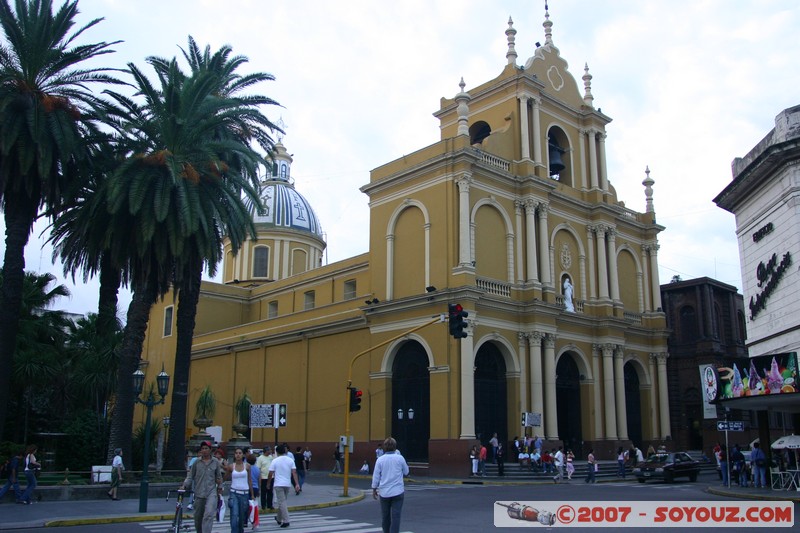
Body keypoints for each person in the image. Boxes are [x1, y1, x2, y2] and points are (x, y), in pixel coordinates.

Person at [182, 440, 223, 533]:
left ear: (210, 450)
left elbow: (219, 476)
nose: (204, 450)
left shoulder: (215, 462)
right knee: (198, 518)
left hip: (211, 493)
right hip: (199, 493)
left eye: (206, 448)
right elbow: (190, 477)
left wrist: (220, 487)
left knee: (208, 515)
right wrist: (184, 486)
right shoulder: (196, 462)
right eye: (203, 449)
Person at [372, 437, 409, 533]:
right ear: (395, 447)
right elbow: (406, 471)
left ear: (384, 447)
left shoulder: (380, 460)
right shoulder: (400, 458)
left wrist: (374, 489)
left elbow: (376, 476)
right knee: (396, 516)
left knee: (385, 516)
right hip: (398, 492)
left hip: (384, 492)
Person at [268, 444, 300, 528]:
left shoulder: (275, 461)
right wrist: (296, 484)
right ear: (285, 451)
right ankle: (278, 518)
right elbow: (294, 472)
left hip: (278, 484)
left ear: (277, 452)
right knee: (283, 502)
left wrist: (268, 483)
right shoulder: (290, 460)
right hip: (287, 483)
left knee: (282, 502)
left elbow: (270, 473)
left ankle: (286, 521)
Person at [226, 448, 253, 533]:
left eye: (240, 453)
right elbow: (225, 478)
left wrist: (252, 494)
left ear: (243, 455)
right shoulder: (231, 466)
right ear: (234, 455)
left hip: (245, 493)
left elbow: (249, 480)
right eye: (236, 453)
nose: (238, 455)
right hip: (234, 493)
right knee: (234, 515)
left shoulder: (247, 466)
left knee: (242, 517)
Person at [256, 445, 274, 510]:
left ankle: (270, 505)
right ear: (266, 451)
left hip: (270, 477)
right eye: (269, 450)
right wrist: (260, 478)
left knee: (270, 491)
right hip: (263, 477)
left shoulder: (270, 457)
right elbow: (259, 468)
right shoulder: (260, 458)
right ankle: (263, 505)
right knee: (263, 492)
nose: (270, 451)